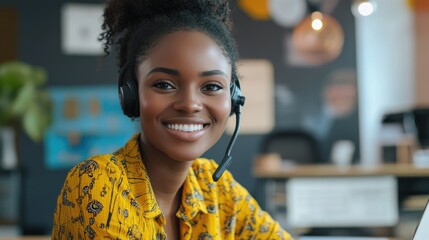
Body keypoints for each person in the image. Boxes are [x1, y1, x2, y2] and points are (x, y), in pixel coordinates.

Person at [52, 0, 292, 239]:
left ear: (234, 98)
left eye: (211, 86)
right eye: (164, 84)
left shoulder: (216, 188)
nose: (189, 104)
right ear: (131, 93)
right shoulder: (98, 182)